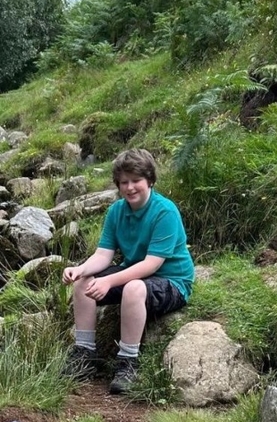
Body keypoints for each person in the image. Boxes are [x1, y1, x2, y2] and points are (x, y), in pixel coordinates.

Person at [62, 148, 194, 394]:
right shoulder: (116, 211)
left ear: (150, 181)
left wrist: (109, 281)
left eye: (136, 181)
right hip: (134, 272)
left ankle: (128, 363)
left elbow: (151, 265)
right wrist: (79, 269)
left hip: (171, 281)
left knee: (133, 288)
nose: (130, 187)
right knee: (83, 282)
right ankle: (85, 354)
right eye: (124, 182)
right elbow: (103, 255)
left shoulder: (165, 211)